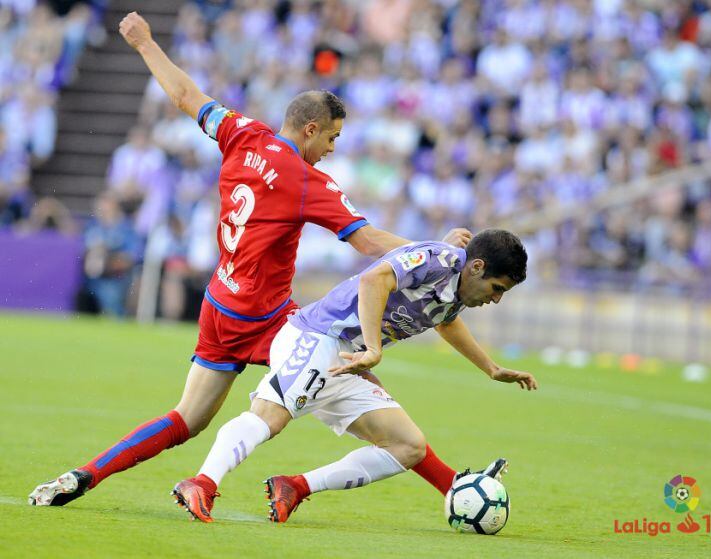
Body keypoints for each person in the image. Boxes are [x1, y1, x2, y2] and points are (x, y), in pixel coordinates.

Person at [29, 11, 471, 507]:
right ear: (310, 129)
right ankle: (442, 485)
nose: (330, 150)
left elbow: (184, 96)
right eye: (332, 138)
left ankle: (85, 474)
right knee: (349, 376)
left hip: (220, 303)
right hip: (267, 317)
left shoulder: (241, 133)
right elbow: (368, 243)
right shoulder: (309, 182)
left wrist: (146, 44)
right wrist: (439, 252)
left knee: (186, 419)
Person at [171, 229, 537, 523]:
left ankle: (296, 487)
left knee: (408, 446)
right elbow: (374, 279)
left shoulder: (456, 288)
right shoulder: (437, 259)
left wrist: (490, 368)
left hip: (347, 359)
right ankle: (202, 482)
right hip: (319, 337)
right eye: (497, 288)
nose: (496, 299)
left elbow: (446, 322)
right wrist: (374, 349)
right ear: (476, 267)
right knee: (271, 417)